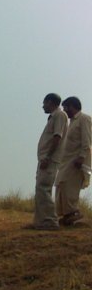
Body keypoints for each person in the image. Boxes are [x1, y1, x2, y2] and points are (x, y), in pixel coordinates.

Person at [28, 93, 68, 230]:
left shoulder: (59, 115)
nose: (43, 106)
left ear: (50, 102)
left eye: (44, 103)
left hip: (49, 160)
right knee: (40, 189)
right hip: (45, 159)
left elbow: (57, 137)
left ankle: (50, 221)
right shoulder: (54, 117)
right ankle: (40, 221)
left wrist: (48, 157)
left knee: (43, 188)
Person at [55, 97, 92, 226]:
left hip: (76, 160)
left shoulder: (84, 119)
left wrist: (81, 157)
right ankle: (66, 215)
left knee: (69, 186)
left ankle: (74, 213)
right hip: (66, 161)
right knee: (61, 184)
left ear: (73, 106)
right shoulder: (70, 122)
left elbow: (87, 140)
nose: (65, 110)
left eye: (66, 107)